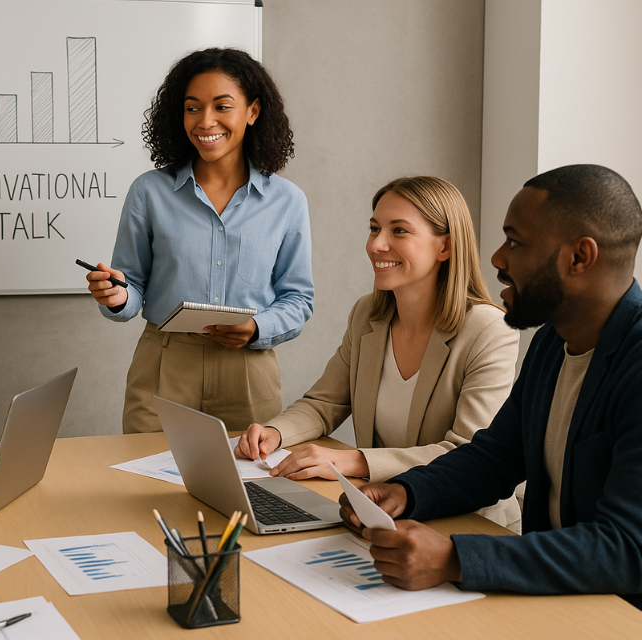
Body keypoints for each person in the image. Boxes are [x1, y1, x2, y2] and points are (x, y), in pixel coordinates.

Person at [340, 164, 642, 608]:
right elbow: (496, 457)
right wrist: (408, 491)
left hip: (613, 614)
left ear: (579, 257)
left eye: (515, 242)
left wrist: (455, 558)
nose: (497, 258)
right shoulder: (550, 343)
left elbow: (627, 549)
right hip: (549, 596)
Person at [235, 176, 522, 530]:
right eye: (374, 229)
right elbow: (325, 403)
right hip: (382, 513)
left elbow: (469, 453)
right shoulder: (368, 314)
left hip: (468, 522)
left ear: (445, 247)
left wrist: (354, 461)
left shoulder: (489, 329)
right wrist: (274, 433)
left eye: (399, 231)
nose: (377, 245)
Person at [84, 47, 313, 433]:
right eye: (193, 108)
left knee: (250, 487)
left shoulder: (287, 200)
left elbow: (298, 299)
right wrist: (118, 296)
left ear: (252, 112)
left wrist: (257, 328)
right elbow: (133, 285)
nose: (205, 121)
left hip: (248, 368)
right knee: (146, 485)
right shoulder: (149, 191)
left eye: (222, 106)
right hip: (164, 362)